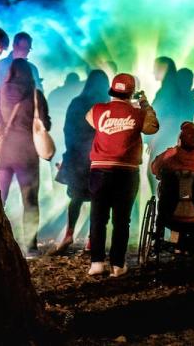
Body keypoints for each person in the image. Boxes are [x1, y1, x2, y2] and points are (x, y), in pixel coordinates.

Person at [86, 73, 159, 277]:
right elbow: (153, 128)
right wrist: (144, 104)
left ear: (112, 90)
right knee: (121, 220)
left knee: (98, 217)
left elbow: (89, 120)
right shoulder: (138, 114)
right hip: (126, 172)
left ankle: (97, 263)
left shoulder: (97, 110)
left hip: (99, 169)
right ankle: (118, 265)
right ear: (131, 93)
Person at [0, 58, 51, 258]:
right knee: (29, 202)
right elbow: (45, 125)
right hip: (27, 155)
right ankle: (30, 247)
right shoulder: (36, 96)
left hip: (4, 154)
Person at [51, 70, 109, 254]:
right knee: (98, 199)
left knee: (76, 197)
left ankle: (69, 234)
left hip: (77, 157)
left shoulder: (77, 102)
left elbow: (67, 129)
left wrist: (71, 151)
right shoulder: (105, 106)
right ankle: (92, 239)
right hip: (98, 158)